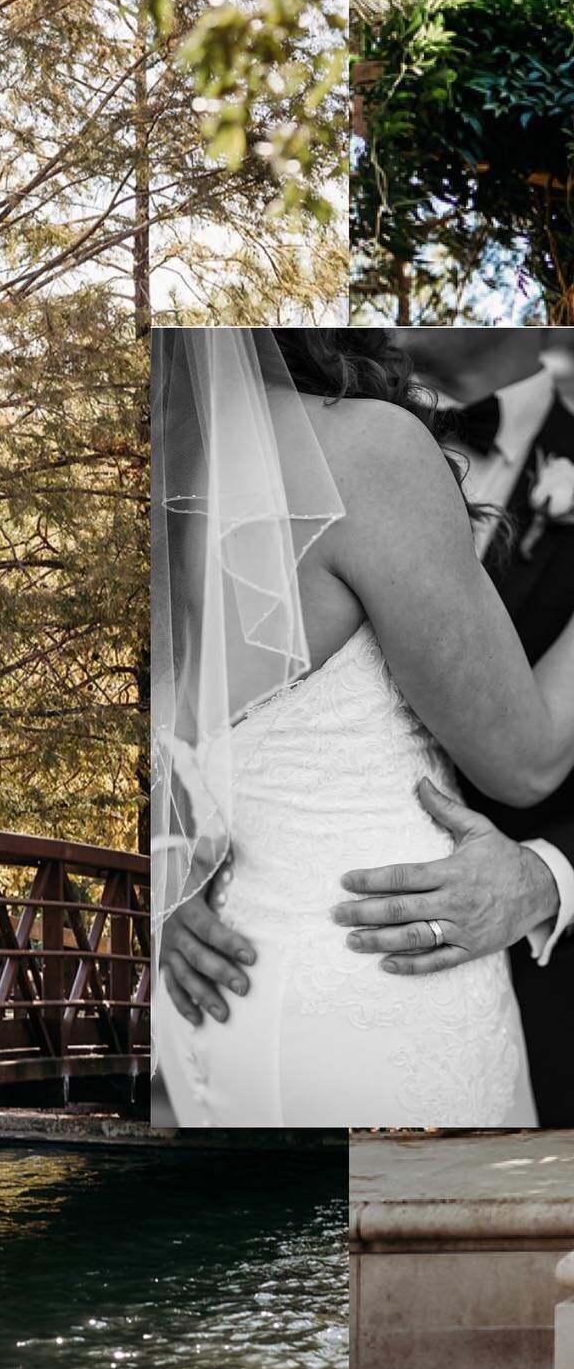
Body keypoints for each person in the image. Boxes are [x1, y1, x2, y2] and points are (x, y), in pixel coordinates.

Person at [153, 327, 574, 1127]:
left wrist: (164, 881)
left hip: (222, 984)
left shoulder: (160, 461)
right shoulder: (365, 447)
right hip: (384, 990)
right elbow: (526, 763)